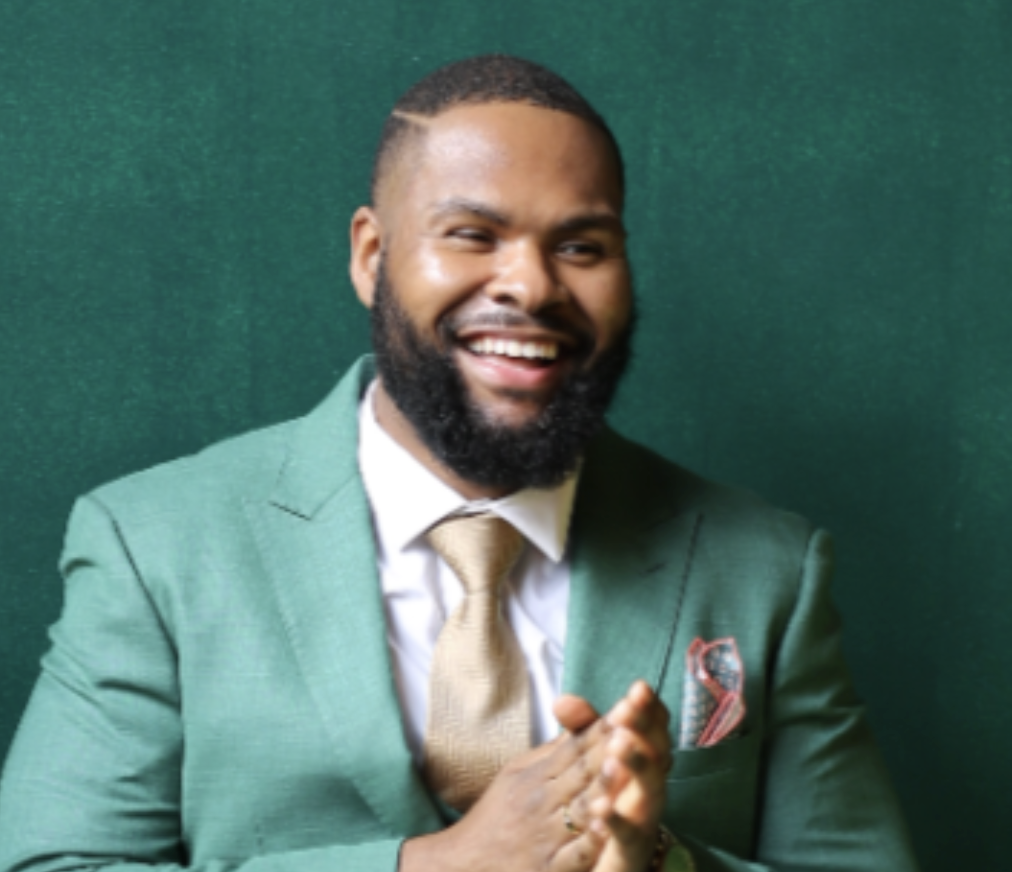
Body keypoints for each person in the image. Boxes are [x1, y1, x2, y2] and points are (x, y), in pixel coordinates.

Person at [0, 55, 919, 872]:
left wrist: (662, 860)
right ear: (372, 255)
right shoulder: (153, 544)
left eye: (581, 246)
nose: (531, 285)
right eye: (473, 235)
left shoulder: (765, 568)